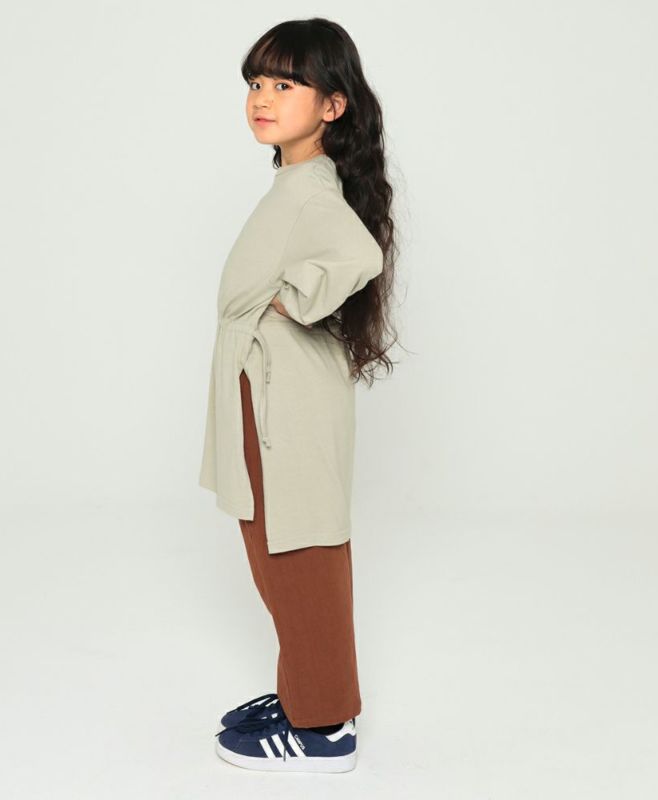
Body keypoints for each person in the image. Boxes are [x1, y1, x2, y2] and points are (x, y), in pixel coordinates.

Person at [199, 17, 399, 773]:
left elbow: (358, 253)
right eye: (257, 82)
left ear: (332, 105)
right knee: (275, 547)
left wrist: (292, 300)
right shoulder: (297, 181)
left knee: (300, 548)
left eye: (285, 84)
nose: (262, 97)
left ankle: (324, 728)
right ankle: (305, 689)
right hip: (270, 390)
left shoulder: (313, 191)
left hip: (287, 397)